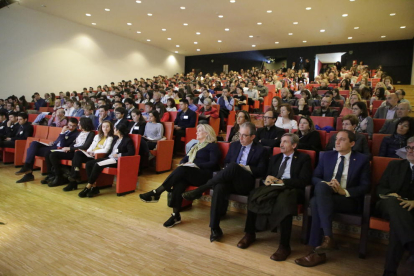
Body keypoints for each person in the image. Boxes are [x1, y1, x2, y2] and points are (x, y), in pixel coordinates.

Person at [182, 122, 269, 242]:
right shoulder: (234, 145)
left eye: (244, 135)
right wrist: (233, 167)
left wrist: (242, 168)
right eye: (239, 134)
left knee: (234, 166)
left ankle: (202, 188)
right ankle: (214, 228)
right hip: (230, 179)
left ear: (253, 137)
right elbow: (226, 163)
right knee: (219, 186)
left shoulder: (261, 150)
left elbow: (261, 170)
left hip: (246, 183)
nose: (241, 138)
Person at [295, 130, 370, 267]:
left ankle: (317, 249)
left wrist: (344, 191)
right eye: (336, 139)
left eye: (342, 139)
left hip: (347, 200)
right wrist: (326, 184)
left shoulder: (361, 160)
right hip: (326, 196)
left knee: (315, 202)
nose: (337, 141)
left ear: (352, 143)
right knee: (321, 189)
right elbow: (315, 177)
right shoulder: (327, 156)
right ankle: (326, 241)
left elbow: (365, 186)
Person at [237, 134, 312, 261]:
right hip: (274, 187)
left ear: (294, 145)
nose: (281, 144)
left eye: (285, 142)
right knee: (254, 195)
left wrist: (282, 182)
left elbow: (304, 181)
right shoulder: (275, 158)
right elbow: (268, 175)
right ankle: (250, 233)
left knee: (284, 202)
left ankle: (284, 246)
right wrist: (268, 179)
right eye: (281, 141)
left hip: (291, 189)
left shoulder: (303, 158)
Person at [139, 124, 221, 227]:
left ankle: (157, 192)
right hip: (190, 173)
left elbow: (213, 163)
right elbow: (185, 158)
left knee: (182, 170)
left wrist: (195, 164)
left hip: (203, 174)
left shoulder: (212, 146)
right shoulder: (195, 145)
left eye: (199, 131)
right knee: (179, 183)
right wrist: (183, 162)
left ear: (207, 133)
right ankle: (175, 215)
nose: (196, 132)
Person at [375, 137, 414, 275]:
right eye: (409, 148)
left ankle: (389, 271)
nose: (410, 151)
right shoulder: (394, 165)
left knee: (398, 224)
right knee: (394, 204)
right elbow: (380, 188)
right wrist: (391, 194)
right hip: (388, 205)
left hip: (409, 210)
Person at [15, 118, 79, 183]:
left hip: (58, 149)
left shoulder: (76, 134)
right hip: (52, 146)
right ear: (67, 124)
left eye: (73, 126)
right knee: (33, 144)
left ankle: (28, 172)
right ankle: (27, 167)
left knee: (32, 151)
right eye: (70, 125)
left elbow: (62, 144)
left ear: (76, 126)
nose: (71, 127)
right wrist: (54, 142)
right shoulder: (66, 130)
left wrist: (62, 132)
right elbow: (58, 140)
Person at [79, 124, 135, 198]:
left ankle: (88, 186)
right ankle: (94, 187)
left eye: (115, 129)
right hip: (109, 158)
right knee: (89, 163)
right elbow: (110, 151)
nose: (113, 130)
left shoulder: (127, 140)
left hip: (117, 160)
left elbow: (131, 152)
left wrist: (119, 155)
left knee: (98, 164)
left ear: (118, 130)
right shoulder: (115, 138)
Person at [63, 121, 115, 191]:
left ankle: (73, 180)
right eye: (103, 126)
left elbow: (106, 150)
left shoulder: (111, 138)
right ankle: (75, 175)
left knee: (77, 157)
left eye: (107, 126)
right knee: (78, 153)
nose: (105, 128)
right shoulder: (97, 136)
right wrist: (89, 151)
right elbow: (91, 146)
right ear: (101, 127)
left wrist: (94, 152)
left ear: (111, 128)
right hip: (90, 154)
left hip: (97, 156)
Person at [45, 117, 95, 187]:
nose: (78, 125)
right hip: (72, 151)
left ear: (84, 124)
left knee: (53, 155)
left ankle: (60, 177)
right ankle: (57, 175)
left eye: (80, 124)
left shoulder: (91, 133)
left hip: (78, 153)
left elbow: (85, 146)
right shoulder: (80, 132)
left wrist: (70, 148)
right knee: (51, 154)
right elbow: (74, 143)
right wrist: (67, 148)